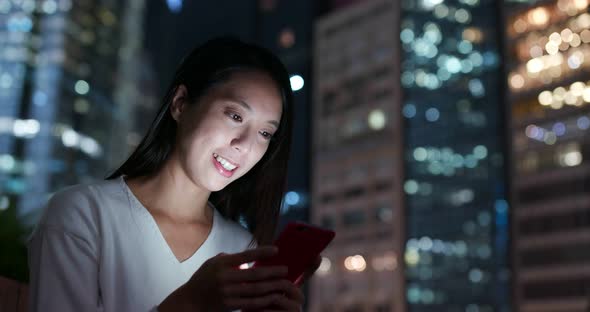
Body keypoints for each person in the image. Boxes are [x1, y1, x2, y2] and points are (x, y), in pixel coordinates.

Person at [28, 37, 318, 311]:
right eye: (235, 116)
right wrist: (189, 304)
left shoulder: (243, 249)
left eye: (265, 133)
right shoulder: (83, 214)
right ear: (180, 103)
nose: (244, 145)